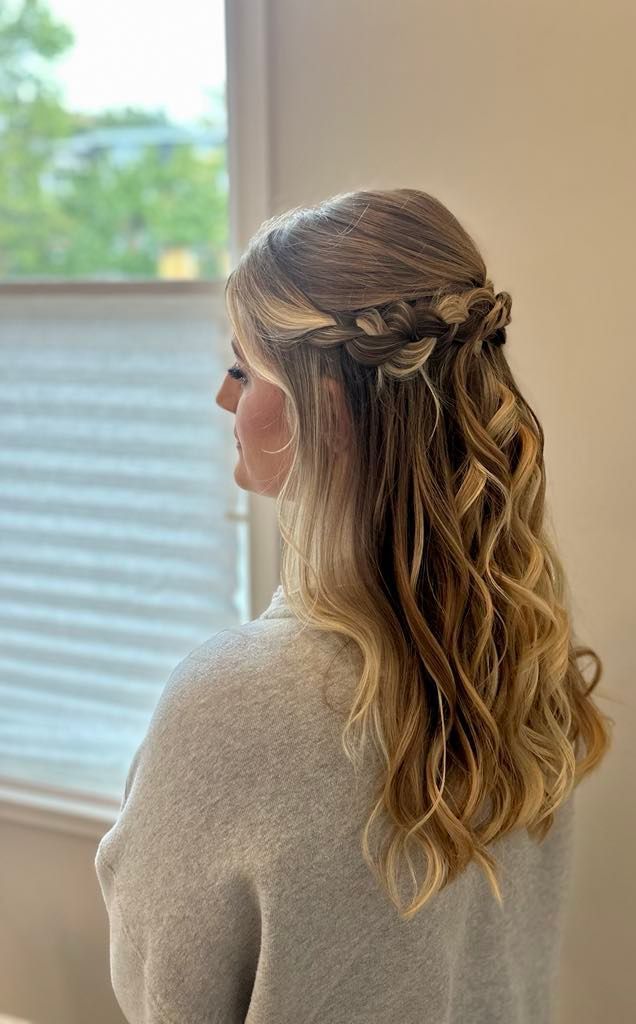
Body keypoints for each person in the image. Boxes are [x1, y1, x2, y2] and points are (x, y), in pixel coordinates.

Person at [95, 187, 613, 1023]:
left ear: (326, 414)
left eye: (242, 369)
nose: (226, 402)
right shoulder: (516, 651)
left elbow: (169, 1001)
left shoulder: (240, 697)